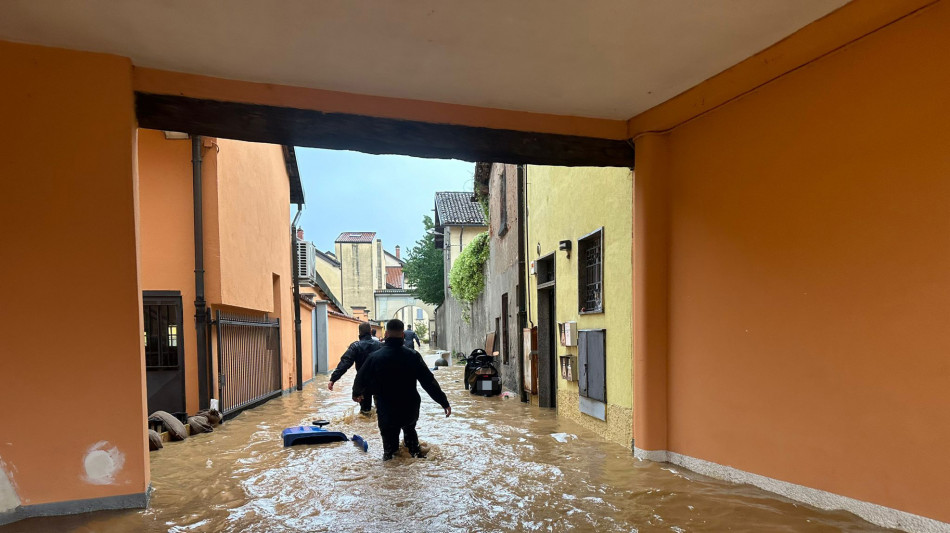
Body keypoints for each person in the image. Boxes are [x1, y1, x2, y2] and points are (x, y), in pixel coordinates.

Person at [353, 319, 450, 460]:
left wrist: (357, 394)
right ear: (403, 335)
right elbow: (428, 382)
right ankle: (415, 458)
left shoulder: (375, 357)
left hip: (386, 410)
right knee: (412, 447)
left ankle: (392, 478)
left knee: (390, 454)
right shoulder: (413, 356)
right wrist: (443, 402)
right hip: (409, 408)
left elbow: (360, 378)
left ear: (386, 334)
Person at [328, 322, 381, 414]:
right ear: (370, 331)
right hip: (379, 381)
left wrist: (333, 379)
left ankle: (365, 426)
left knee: (365, 412)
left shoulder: (355, 346)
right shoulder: (380, 345)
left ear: (359, 332)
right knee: (381, 410)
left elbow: (345, 363)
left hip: (363, 382)